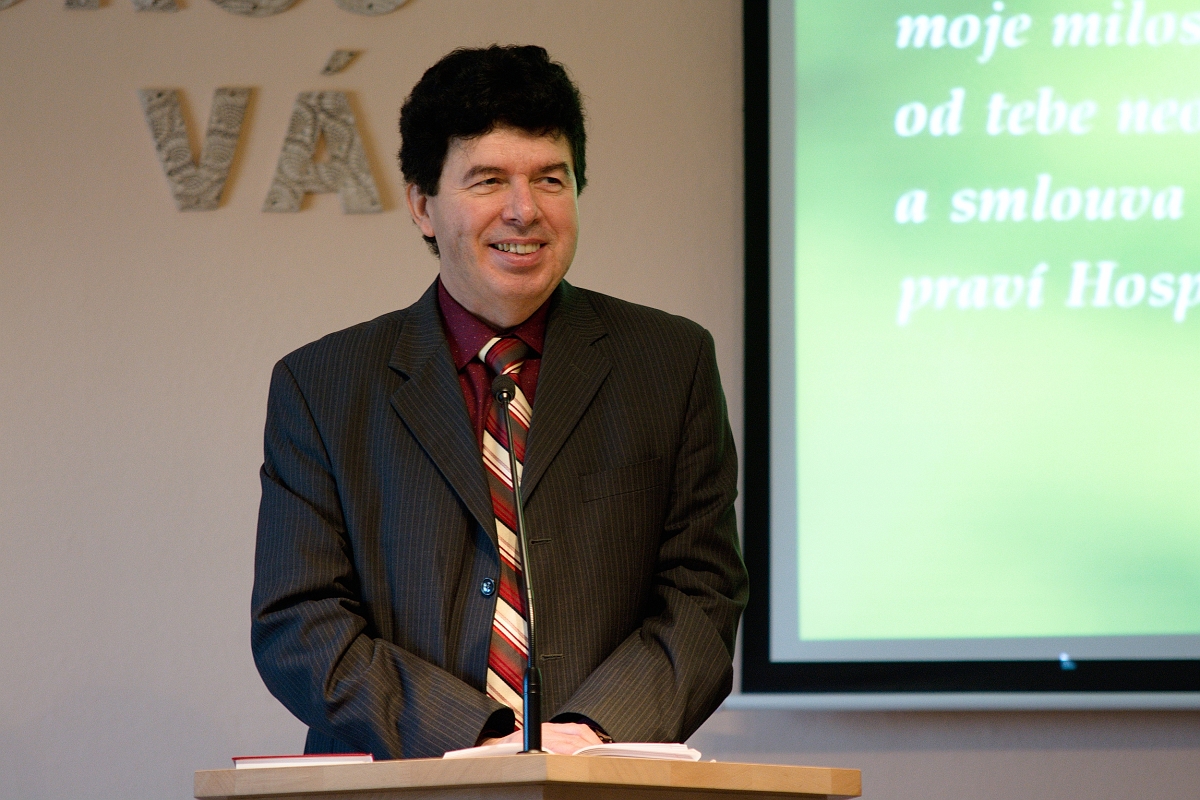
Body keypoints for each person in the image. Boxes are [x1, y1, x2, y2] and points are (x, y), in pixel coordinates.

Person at [251, 44, 747, 760]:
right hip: (398, 782)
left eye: (551, 179)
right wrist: (479, 737)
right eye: (488, 181)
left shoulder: (670, 364)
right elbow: (299, 623)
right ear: (422, 205)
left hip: (599, 778)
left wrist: (592, 733)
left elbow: (703, 595)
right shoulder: (323, 385)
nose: (524, 210)